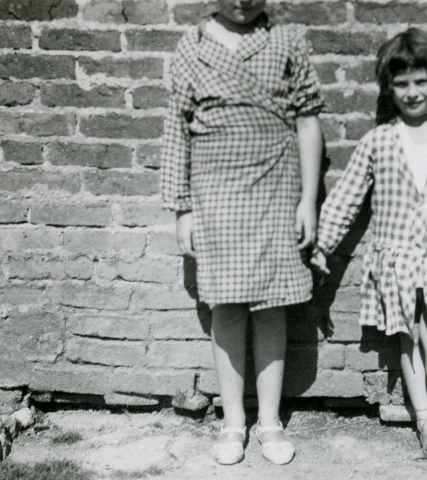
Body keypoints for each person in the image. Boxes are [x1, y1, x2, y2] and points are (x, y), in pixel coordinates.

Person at [311, 28, 427, 475]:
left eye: (420, 82)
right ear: (389, 88)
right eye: (401, 84)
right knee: (407, 340)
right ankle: (425, 422)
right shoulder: (378, 141)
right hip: (394, 263)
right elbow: (345, 201)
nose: (412, 93)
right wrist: (321, 249)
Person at [160, 0, 323, 466]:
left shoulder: (285, 41)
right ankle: (233, 422)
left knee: (271, 303)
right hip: (215, 192)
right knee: (227, 304)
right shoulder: (192, 46)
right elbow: (177, 129)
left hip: (276, 186)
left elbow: (309, 121)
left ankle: (269, 420)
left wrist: (308, 199)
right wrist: (182, 209)